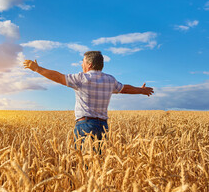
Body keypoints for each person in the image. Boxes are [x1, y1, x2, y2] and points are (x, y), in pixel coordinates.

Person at [23, 51, 154, 149]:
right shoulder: (110, 80)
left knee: (83, 166)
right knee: (97, 165)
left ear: (89, 65)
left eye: (83, 62)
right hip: (103, 126)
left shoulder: (81, 78)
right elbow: (125, 88)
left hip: (85, 125)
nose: (81, 64)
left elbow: (58, 77)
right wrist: (141, 90)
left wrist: (37, 69)